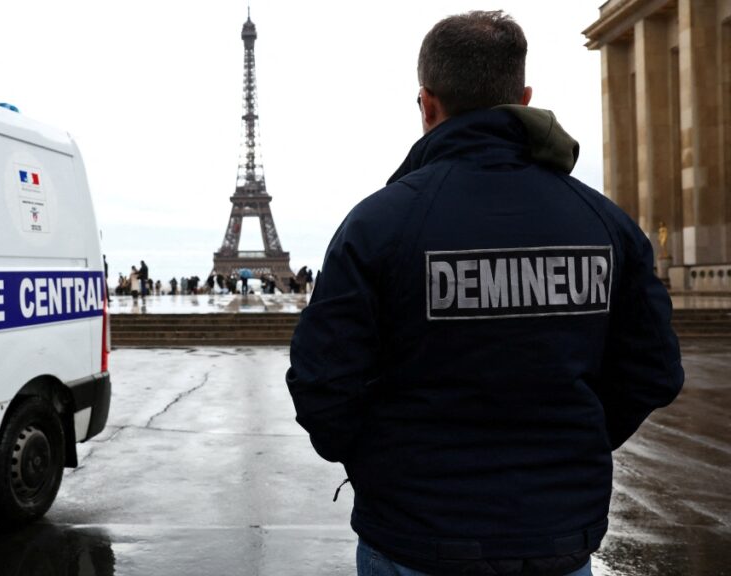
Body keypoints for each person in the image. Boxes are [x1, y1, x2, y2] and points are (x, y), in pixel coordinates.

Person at [286, 11, 683, 576]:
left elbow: (321, 384)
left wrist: (383, 462)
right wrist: (573, 445)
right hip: (556, 537)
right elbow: (655, 372)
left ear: (426, 104)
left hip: (414, 535)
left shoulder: (378, 225)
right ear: (522, 96)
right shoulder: (604, 224)